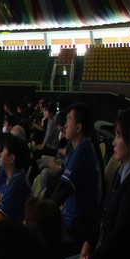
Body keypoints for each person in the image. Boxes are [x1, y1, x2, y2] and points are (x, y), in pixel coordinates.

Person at [55, 108, 130, 259]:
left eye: (118, 136)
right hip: (101, 253)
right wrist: (88, 243)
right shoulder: (122, 173)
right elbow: (104, 215)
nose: (113, 141)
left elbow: (119, 238)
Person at [49, 103, 102, 244]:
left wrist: (40, 211)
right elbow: (59, 179)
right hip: (69, 218)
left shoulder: (83, 153)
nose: (65, 125)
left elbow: (62, 191)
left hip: (75, 228)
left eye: (69, 120)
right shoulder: (77, 149)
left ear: (78, 128)